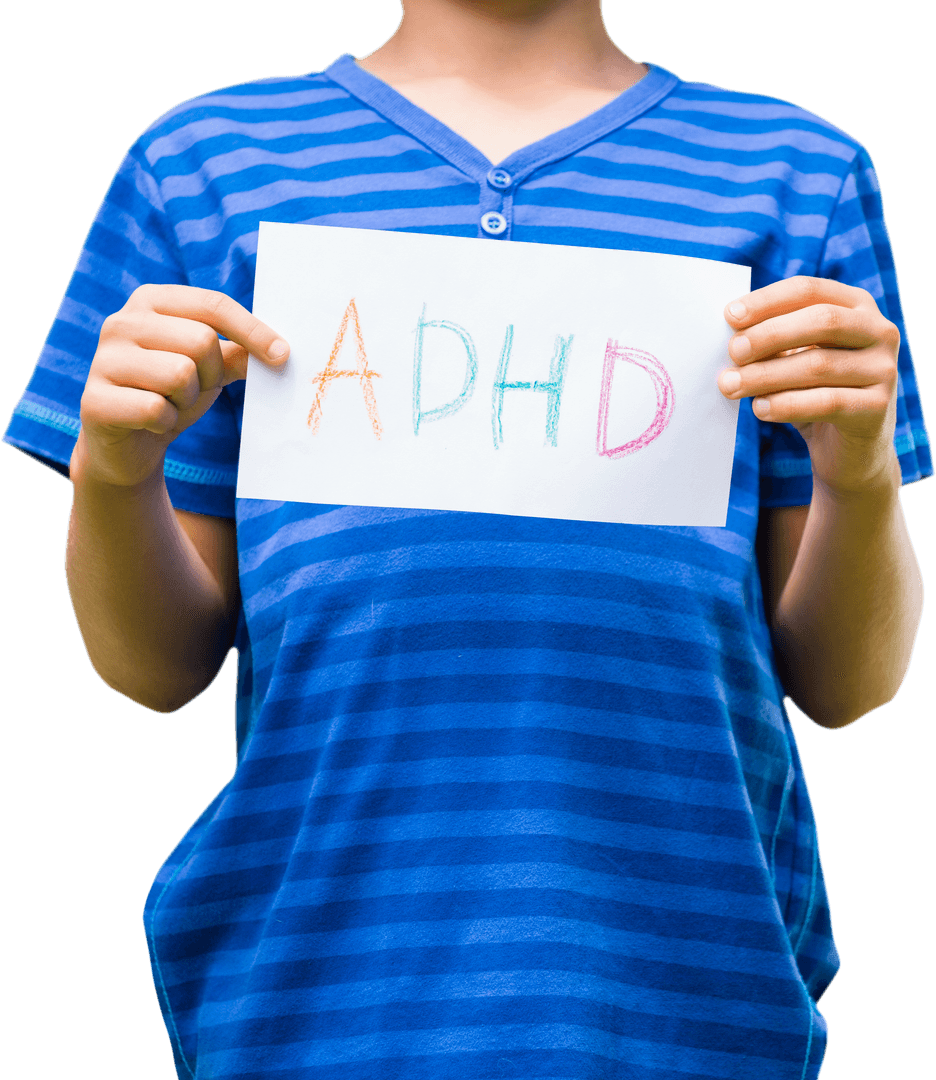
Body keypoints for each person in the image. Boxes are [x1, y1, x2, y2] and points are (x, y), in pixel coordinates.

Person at [3, 1, 930, 1077]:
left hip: (691, 1007)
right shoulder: (200, 168)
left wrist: (859, 473)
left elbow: (848, 681)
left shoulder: (798, 177)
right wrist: (115, 470)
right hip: (314, 1007)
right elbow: (155, 668)